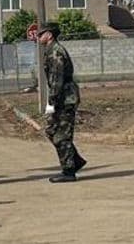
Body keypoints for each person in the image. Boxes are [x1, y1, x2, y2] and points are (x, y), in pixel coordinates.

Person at [39, 22, 86, 183]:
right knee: (52, 130)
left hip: (65, 98)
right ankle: (75, 160)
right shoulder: (51, 50)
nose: (38, 37)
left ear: (49, 35)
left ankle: (69, 171)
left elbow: (56, 79)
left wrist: (52, 102)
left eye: (41, 34)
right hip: (62, 97)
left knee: (62, 134)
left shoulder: (56, 52)